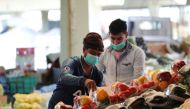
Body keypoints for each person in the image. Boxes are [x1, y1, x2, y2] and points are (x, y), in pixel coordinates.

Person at [48, 32, 104, 109]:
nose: (96, 57)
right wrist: (84, 81)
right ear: (84, 50)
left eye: (99, 54)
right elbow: (63, 77)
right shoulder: (72, 63)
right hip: (58, 106)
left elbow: (96, 99)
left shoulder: (97, 75)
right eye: (93, 53)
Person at [97, 19, 145, 85]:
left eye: (119, 38)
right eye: (113, 38)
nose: (116, 42)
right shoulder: (104, 53)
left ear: (126, 35)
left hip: (130, 93)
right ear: (109, 35)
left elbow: (138, 79)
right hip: (109, 93)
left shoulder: (137, 53)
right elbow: (97, 74)